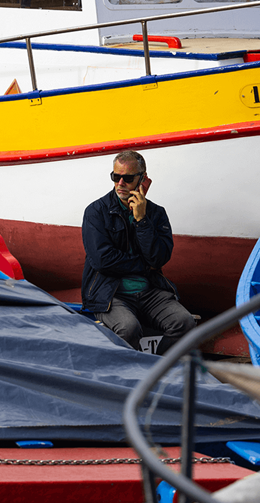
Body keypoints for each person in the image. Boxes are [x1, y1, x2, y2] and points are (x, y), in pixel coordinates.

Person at [81, 151, 197, 354]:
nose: (120, 183)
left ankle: (156, 370)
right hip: (110, 294)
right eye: (116, 177)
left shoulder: (156, 213)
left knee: (185, 323)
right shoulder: (95, 212)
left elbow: (159, 258)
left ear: (143, 179)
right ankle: (129, 378)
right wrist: (144, 265)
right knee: (128, 328)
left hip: (149, 290)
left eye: (128, 178)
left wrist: (142, 220)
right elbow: (102, 261)